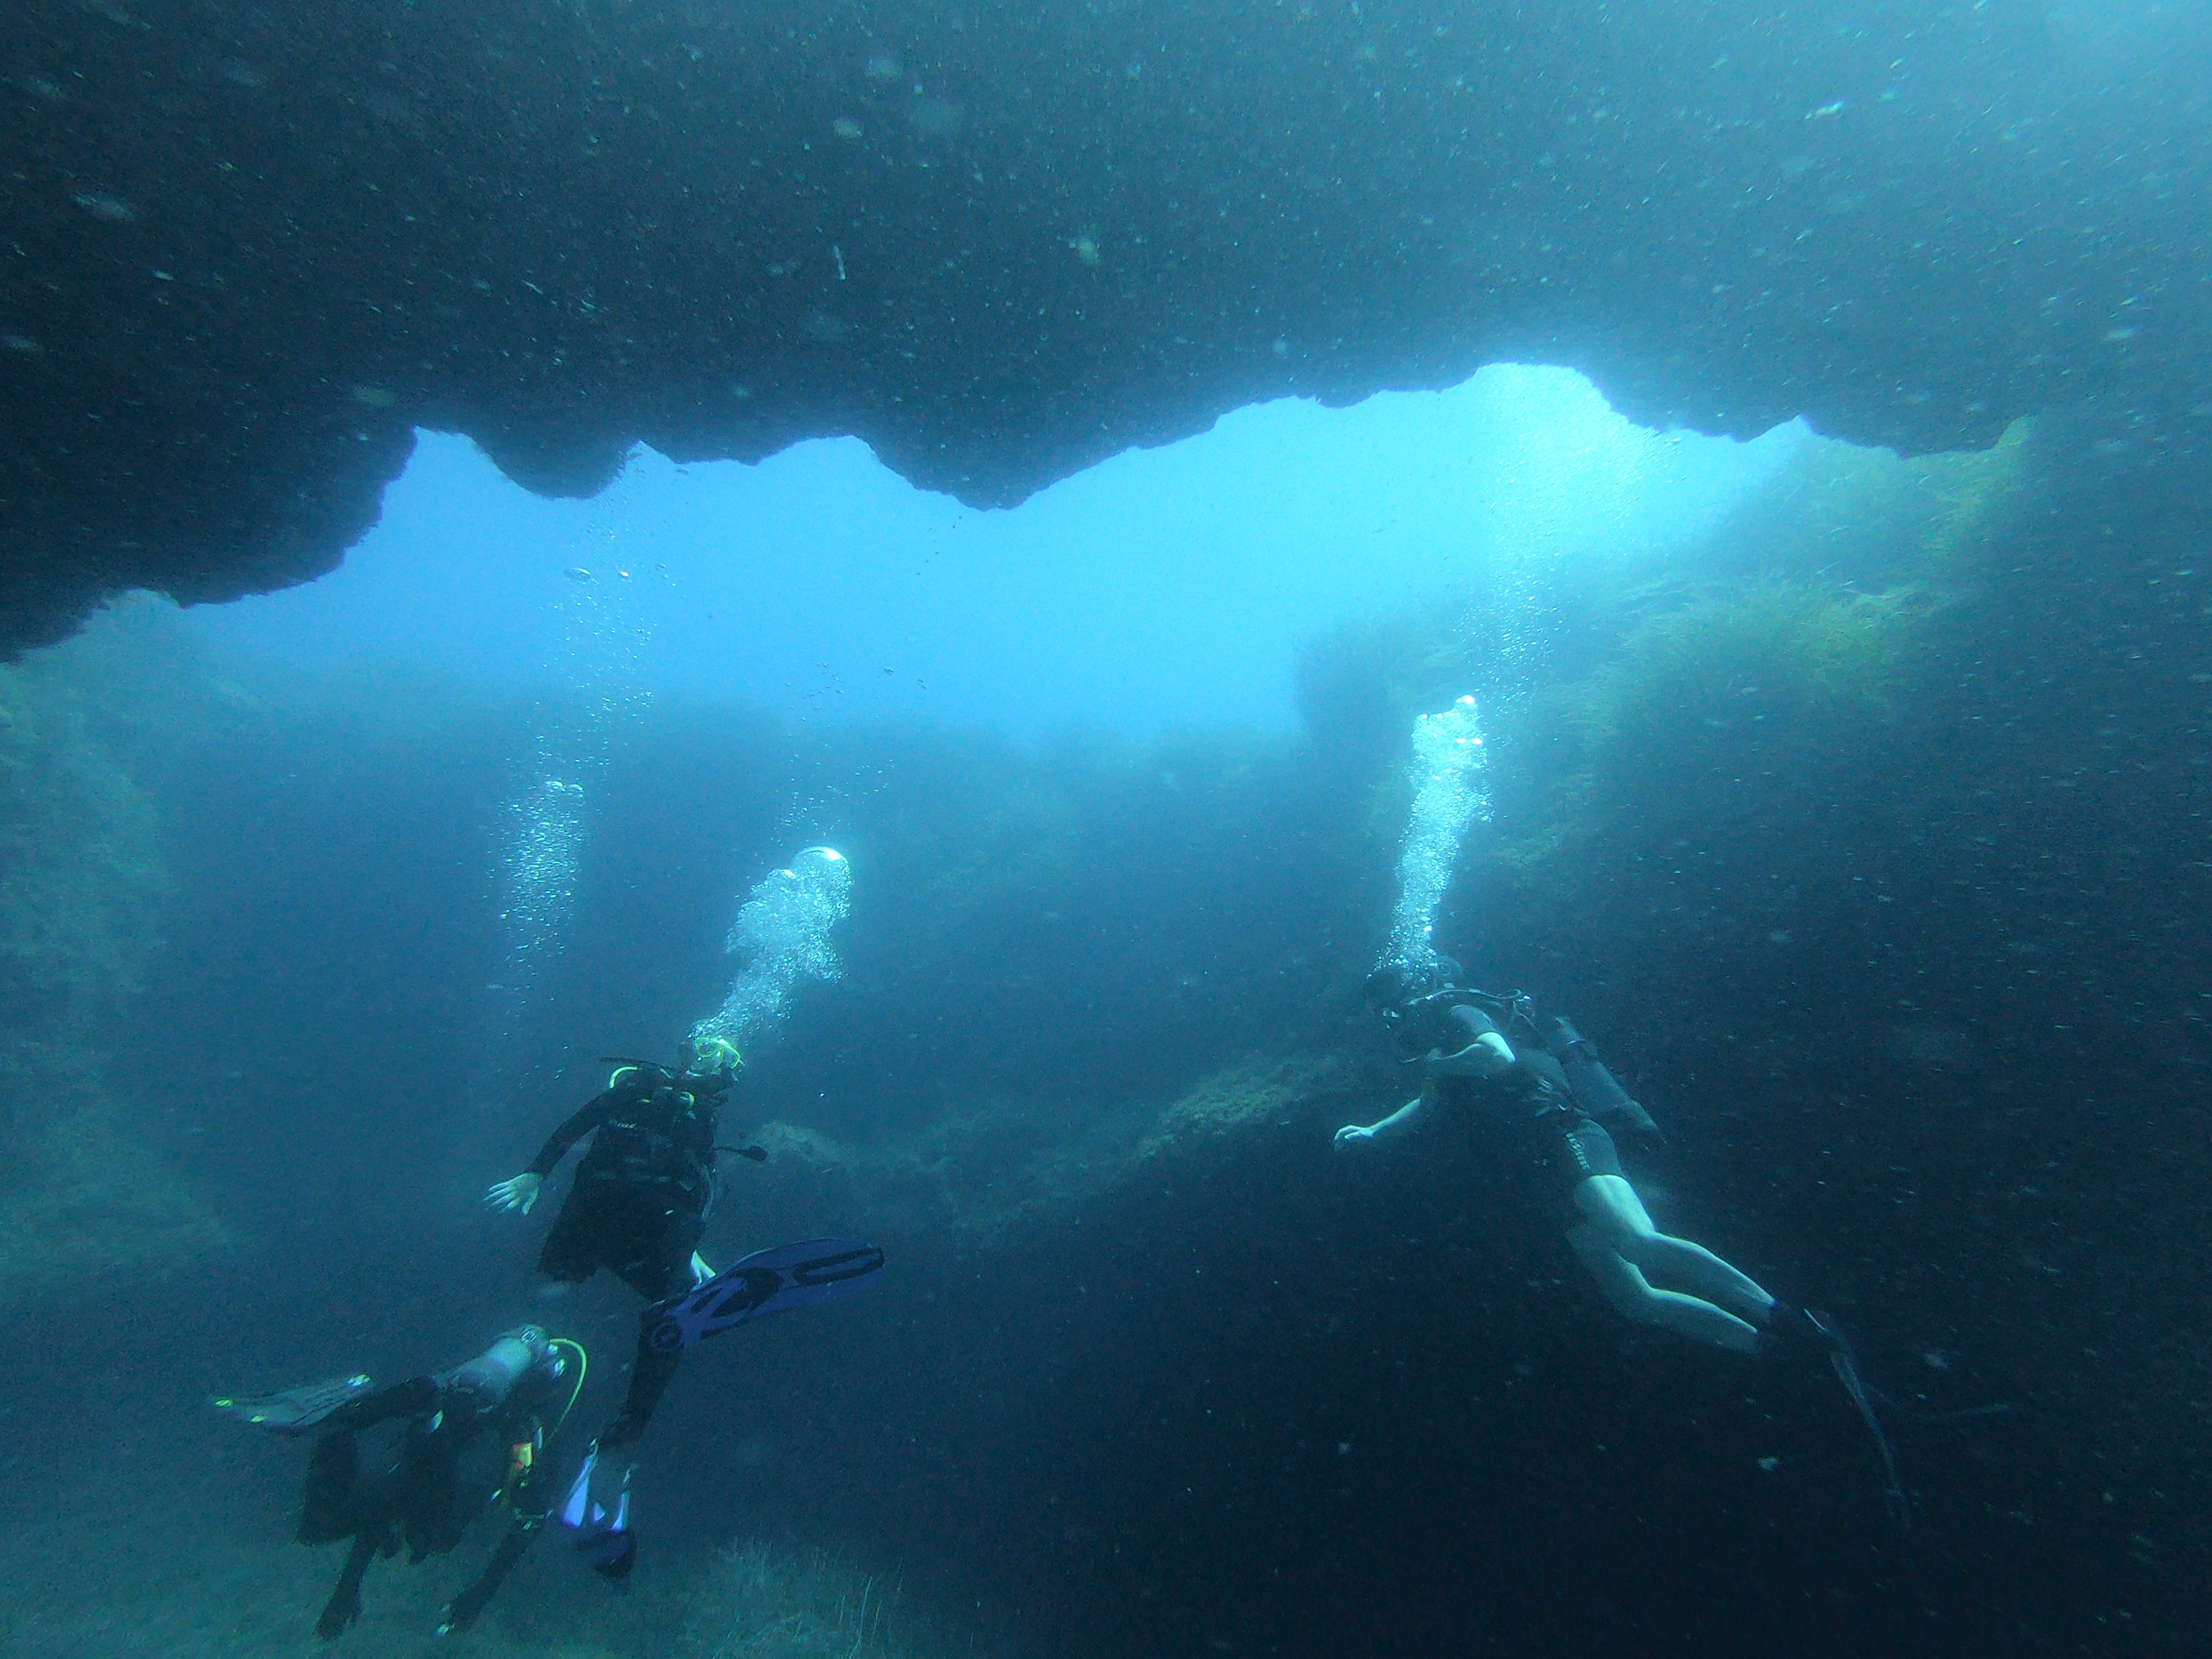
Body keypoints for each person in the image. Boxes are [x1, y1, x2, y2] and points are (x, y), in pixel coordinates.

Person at [1334, 968, 1822, 1355]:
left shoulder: (1457, 1014)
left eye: (1391, 1003)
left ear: (1414, 991)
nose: (1391, 1016)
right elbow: (1430, 1103)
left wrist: (1437, 1064)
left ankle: (1785, 1320)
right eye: (1383, 1010)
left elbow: (1497, 1056)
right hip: (1535, 1168)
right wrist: (1376, 1130)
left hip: (1560, 1134)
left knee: (1639, 1242)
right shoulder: (1439, 1047)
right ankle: (1768, 1351)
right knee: (1636, 1300)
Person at [483, 1032, 759, 1574]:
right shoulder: (670, 1104)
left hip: (597, 1216)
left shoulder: (651, 1098)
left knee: (553, 1302)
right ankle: (618, 1429)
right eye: (721, 1062)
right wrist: (534, 1174)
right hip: (643, 1230)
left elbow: (581, 1128)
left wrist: (536, 1174)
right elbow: (694, 1186)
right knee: (670, 1315)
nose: (719, 1072)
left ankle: (518, 1382)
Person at [215, 1326, 582, 1640]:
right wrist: (479, 1597)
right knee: (434, 1533)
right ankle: (383, 1418)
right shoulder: (534, 1442)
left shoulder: (512, 1426)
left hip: (442, 1420)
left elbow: (385, 1506)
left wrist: (347, 1588)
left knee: (323, 1527)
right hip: (445, 1442)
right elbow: (527, 1525)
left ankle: (344, 1422)